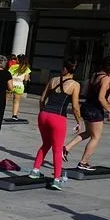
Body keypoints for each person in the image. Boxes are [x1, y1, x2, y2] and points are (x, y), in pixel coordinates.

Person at [29, 59, 83, 190]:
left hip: (44, 115)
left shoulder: (53, 80)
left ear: (64, 68)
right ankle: (57, 179)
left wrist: (43, 112)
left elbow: (42, 99)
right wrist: (79, 121)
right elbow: (75, 107)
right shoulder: (75, 85)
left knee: (46, 144)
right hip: (58, 118)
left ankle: (35, 171)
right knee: (57, 150)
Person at [64, 57, 110, 171]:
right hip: (95, 109)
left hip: (86, 106)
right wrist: (109, 110)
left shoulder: (95, 74)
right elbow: (101, 97)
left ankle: (66, 148)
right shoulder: (106, 78)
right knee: (95, 137)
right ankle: (83, 162)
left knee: (89, 133)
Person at [9, 54, 32, 120]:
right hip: (19, 86)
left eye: (16, 59)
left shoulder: (13, 67)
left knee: (5, 100)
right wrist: (28, 77)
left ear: (18, 60)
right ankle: (14, 116)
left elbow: (8, 75)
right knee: (16, 101)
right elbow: (26, 79)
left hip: (11, 84)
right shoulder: (26, 68)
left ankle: (0, 113)